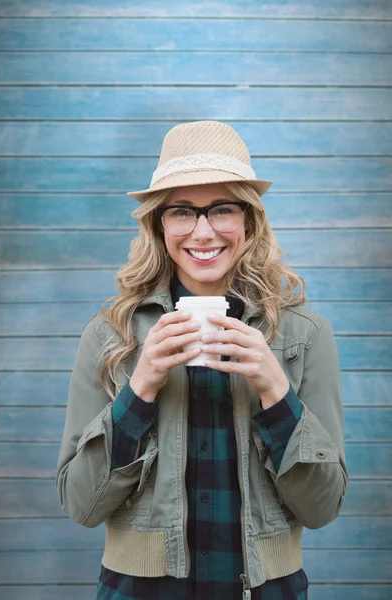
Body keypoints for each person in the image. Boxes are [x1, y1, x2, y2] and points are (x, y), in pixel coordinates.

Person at [56, 120, 348, 600]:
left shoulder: (304, 335)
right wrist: (141, 388)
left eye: (222, 209)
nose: (203, 231)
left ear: (249, 221)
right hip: (139, 591)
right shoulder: (111, 335)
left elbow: (322, 508)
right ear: (160, 224)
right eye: (183, 212)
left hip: (266, 589)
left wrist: (277, 392)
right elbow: (81, 505)